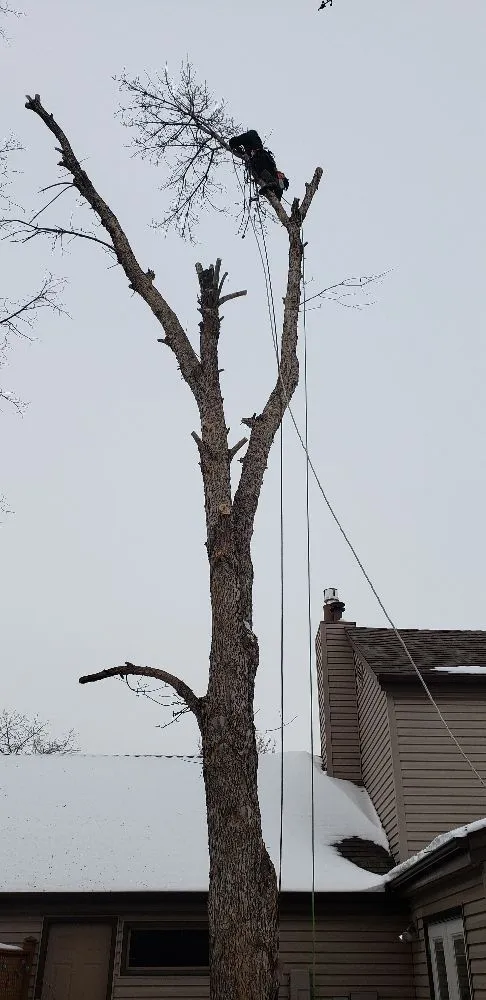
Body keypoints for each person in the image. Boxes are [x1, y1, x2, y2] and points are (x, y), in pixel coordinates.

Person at [229, 130, 289, 201]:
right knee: (264, 171)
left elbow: (234, 141)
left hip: (261, 160)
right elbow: (235, 142)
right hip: (259, 160)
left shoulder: (278, 179)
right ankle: (272, 185)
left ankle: (272, 185)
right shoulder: (251, 137)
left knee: (266, 173)